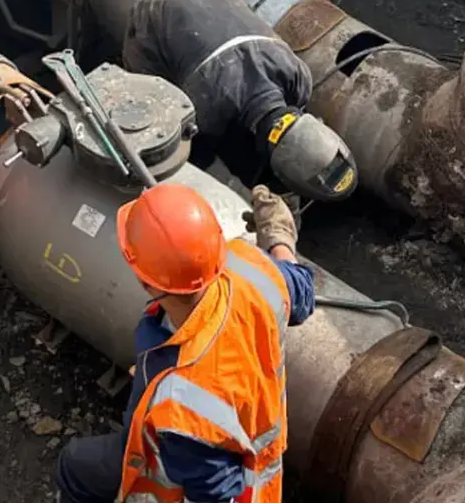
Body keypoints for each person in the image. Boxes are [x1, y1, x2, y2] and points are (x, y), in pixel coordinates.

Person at [55, 182, 313, 503]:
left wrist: (156, 393)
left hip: (207, 473)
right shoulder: (252, 266)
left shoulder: (182, 403)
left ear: (146, 282)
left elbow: (213, 491)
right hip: (252, 442)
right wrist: (279, 238)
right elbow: (302, 290)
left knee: (74, 464)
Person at [124, 0, 358, 202]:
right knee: (156, 125)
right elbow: (190, 146)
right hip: (153, 13)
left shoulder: (298, 76)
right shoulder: (207, 107)